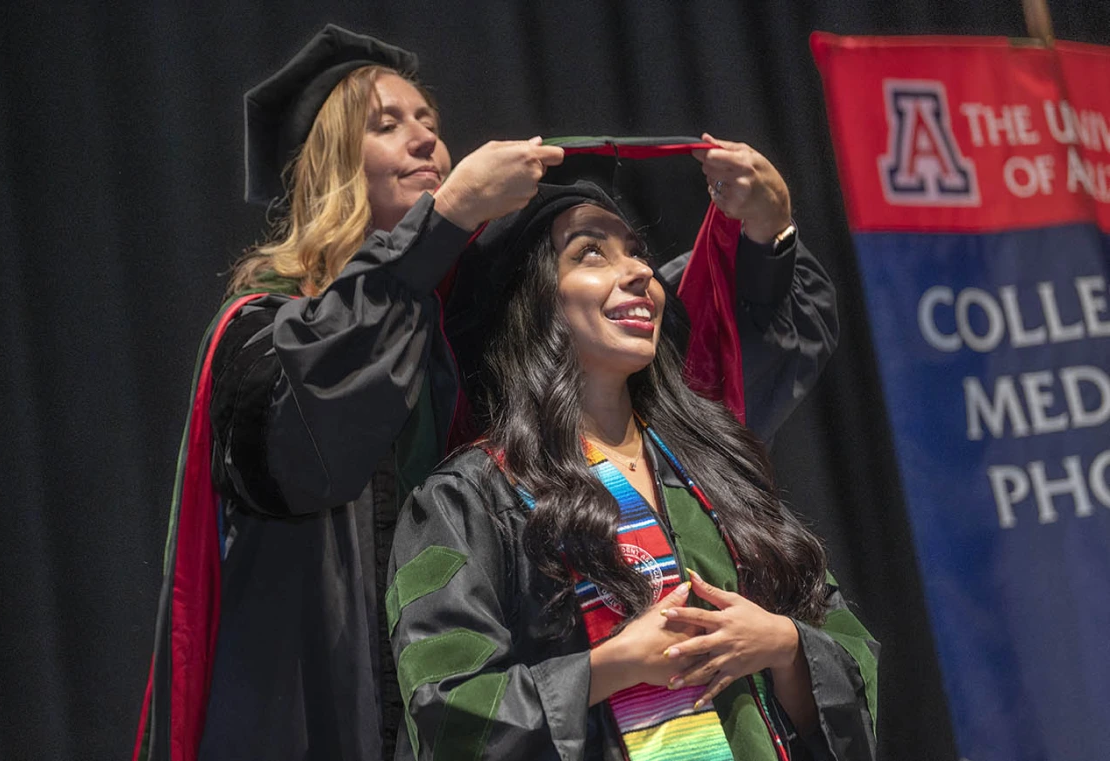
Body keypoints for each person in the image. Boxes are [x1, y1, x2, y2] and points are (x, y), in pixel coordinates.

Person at [135, 23, 838, 761]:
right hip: (316, 704)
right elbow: (316, 445)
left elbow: (670, 349)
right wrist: (443, 224)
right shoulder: (263, 335)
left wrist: (767, 237)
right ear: (330, 165)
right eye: (387, 124)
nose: (424, 141)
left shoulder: (458, 329)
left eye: (430, 125)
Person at [387, 182, 877, 761]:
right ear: (534, 299)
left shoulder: (715, 468)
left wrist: (785, 646)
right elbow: (445, 713)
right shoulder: (467, 498)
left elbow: (846, 643)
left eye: (636, 250)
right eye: (591, 252)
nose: (640, 271)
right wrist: (611, 667)